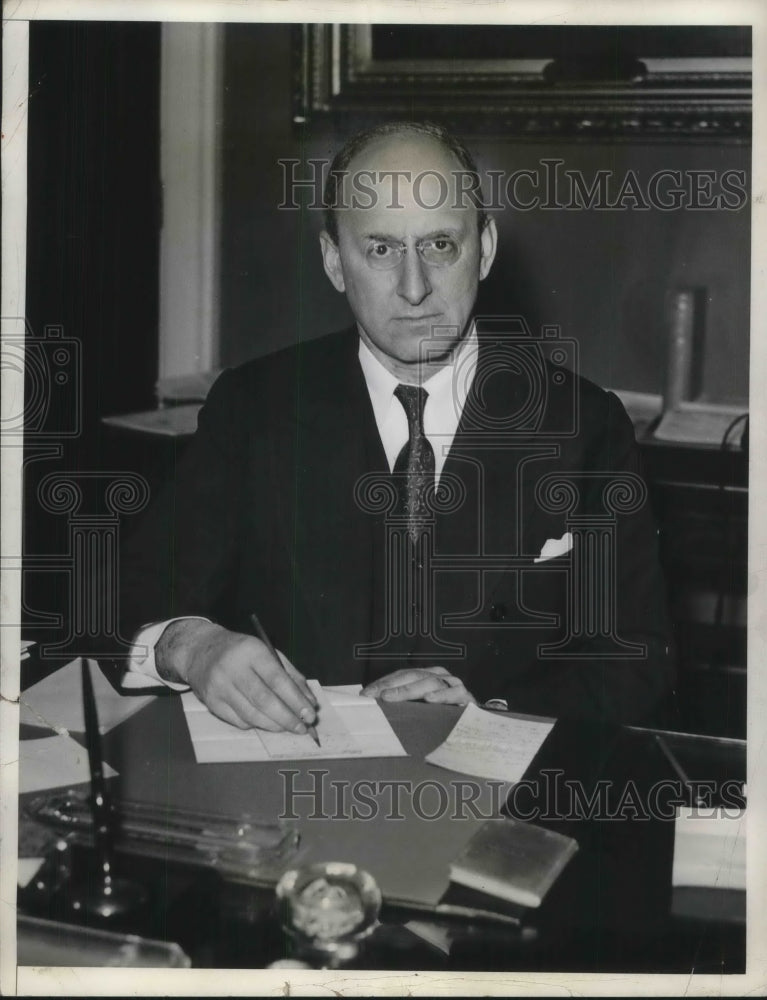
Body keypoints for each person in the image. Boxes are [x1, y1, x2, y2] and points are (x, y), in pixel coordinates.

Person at [117, 121, 673, 734]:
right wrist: (192, 648)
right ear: (334, 262)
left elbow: (638, 662)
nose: (415, 289)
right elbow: (127, 598)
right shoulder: (255, 409)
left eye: (440, 245)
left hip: (504, 803)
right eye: (381, 249)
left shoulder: (584, 426)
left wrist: (490, 715)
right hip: (300, 800)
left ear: (484, 249)